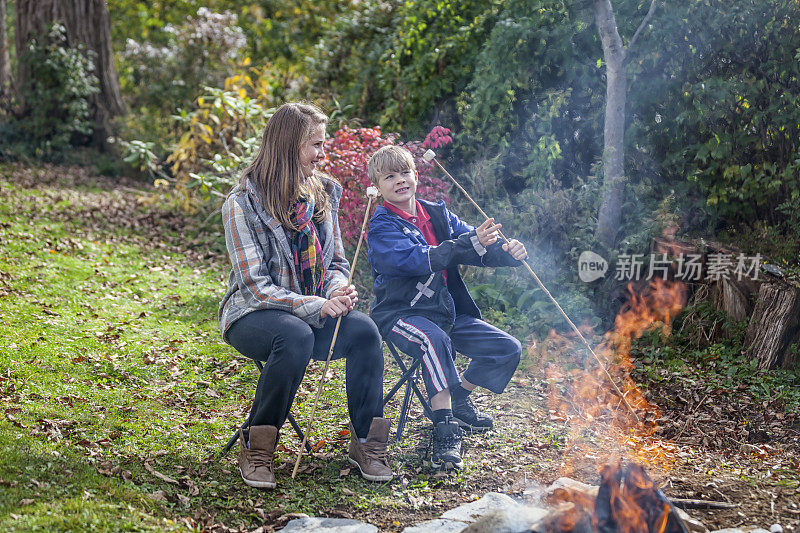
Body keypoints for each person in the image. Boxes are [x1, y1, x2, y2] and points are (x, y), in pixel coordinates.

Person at [219, 102, 392, 489]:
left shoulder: (323, 194)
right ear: (287, 145)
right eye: (315, 144)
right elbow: (255, 286)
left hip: (312, 308)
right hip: (253, 314)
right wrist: (317, 305)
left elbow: (334, 263)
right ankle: (258, 447)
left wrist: (336, 289)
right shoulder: (241, 204)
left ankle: (367, 443)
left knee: (365, 331)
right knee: (294, 335)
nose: (322, 154)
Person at [366, 145, 527, 471]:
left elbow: (475, 244)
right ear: (377, 185)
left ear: (416, 175)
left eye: (405, 172)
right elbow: (417, 259)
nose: (400, 180)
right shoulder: (382, 226)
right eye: (389, 176)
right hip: (400, 313)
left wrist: (508, 253)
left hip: (444, 309)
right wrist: (470, 243)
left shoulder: (436, 214)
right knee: (434, 340)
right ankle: (445, 426)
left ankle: (460, 395)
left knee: (507, 349)